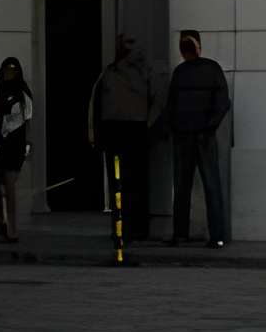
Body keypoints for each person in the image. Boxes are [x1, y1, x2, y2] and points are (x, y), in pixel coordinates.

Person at [88, 34, 162, 242]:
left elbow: (157, 101)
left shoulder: (135, 72)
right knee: (125, 183)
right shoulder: (112, 72)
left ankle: (130, 228)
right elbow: (97, 105)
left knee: (129, 182)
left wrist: (147, 124)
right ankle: (128, 228)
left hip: (129, 129)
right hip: (121, 130)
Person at [164, 29, 232, 247]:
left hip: (183, 136)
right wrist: (209, 126)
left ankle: (180, 234)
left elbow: (170, 106)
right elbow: (223, 103)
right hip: (204, 136)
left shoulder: (180, 72)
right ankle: (217, 236)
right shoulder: (213, 69)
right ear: (199, 46)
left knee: (181, 187)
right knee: (212, 185)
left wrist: (174, 128)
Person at [0, 56, 35, 243]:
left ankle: (12, 230)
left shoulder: (23, 91)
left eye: (13, 69)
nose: (10, 72)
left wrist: (28, 142)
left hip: (15, 143)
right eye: (7, 68)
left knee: (9, 186)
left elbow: (28, 120)